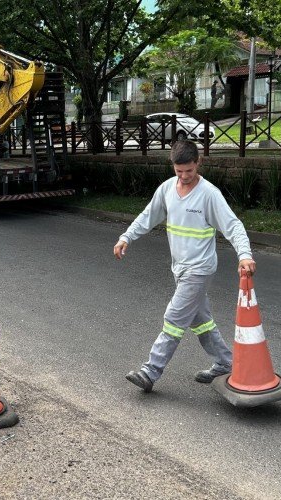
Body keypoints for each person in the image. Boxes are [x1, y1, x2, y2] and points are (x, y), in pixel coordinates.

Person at [113, 140, 255, 393]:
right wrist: (127, 237)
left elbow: (233, 226)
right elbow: (148, 216)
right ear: (173, 166)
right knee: (201, 321)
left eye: (189, 170)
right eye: (179, 171)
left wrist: (244, 255)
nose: (184, 176)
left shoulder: (209, 194)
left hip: (200, 269)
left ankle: (150, 372)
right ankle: (225, 363)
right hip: (179, 268)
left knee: (174, 318)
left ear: (198, 162)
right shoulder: (167, 189)